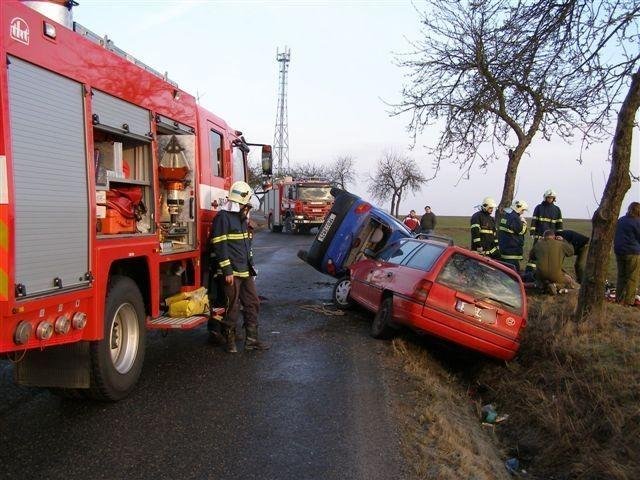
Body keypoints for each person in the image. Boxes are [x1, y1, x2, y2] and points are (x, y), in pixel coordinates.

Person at [211, 181, 270, 352]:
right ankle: (230, 342)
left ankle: (251, 340)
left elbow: (246, 246)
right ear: (241, 202)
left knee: (252, 303)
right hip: (232, 272)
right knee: (232, 306)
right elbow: (219, 245)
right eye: (247, 205)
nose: (248, 208)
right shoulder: (223, 217)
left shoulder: (242, 219)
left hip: (245, 270)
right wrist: (227, 270)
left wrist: (251, 266)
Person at [530, 230, 577, 294]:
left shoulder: (538, 244)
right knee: (569, 280)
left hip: (541, 275)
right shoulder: (561, 244)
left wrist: (539, 242)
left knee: (537, 277)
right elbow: (571, 251)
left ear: (544, 237)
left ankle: (544, 286)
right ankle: (556, 286)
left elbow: (531, 257)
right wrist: (563, 240)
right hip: (556, 275)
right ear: (554, 237)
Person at [613, 201, 640, 306]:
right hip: (632, 252)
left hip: (619, 251)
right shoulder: (637, 222)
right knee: (632, 277)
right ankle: (629, 302)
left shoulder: (620, 220)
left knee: (621, 276)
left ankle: (619, 299)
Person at [498, 199, 528, 272]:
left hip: (504, 250)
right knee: (513, 275)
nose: (523, 212)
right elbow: (521, 231)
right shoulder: (515, 218)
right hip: (512, 252)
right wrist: (524, 223)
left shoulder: (506, 215)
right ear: (518, 208)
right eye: (522, 210)